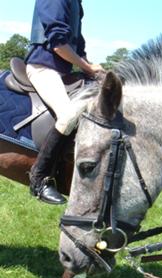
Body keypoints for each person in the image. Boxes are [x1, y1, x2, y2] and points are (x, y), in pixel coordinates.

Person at [26, 0, 104, 205]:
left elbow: (78, 43)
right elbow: (58, 42)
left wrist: (92, 67)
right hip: (42, 67)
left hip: (63, 71)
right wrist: (86, 66)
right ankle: (39, 179)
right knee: (69, 115)